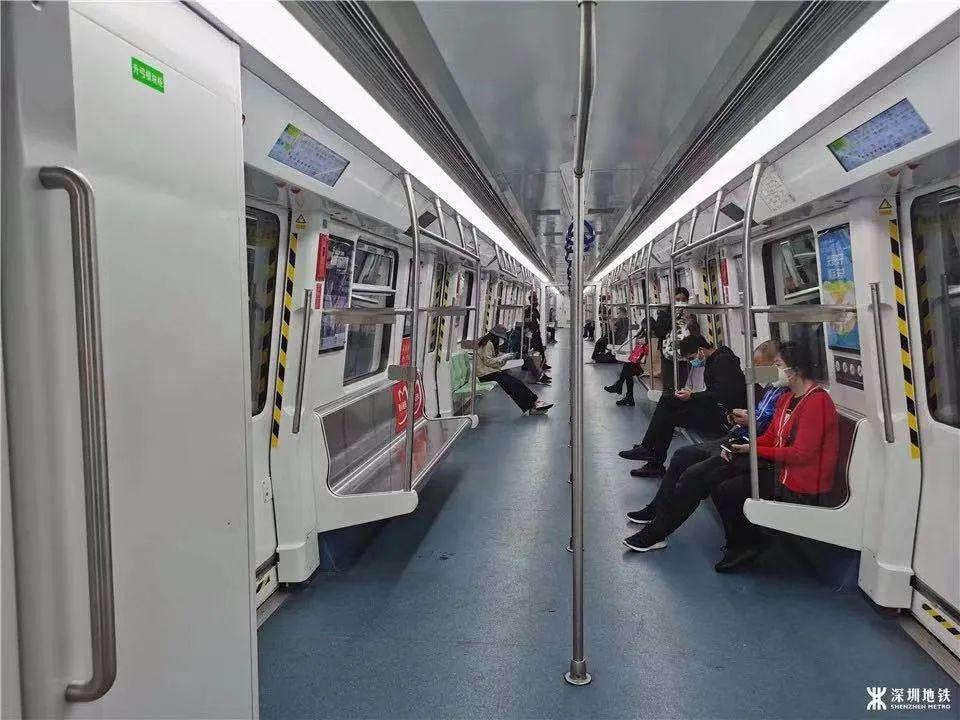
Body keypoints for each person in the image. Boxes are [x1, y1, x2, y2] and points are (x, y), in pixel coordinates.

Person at [620, 341, 785, 552]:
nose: (757, 371)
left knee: (693, 474)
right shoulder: (771, 387)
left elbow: (774, 430)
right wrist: (739, 418)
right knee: (681, 454)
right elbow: (755, 411)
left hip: (748, 444)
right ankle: (656, 508)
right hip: (738, 433)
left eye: (762, 366)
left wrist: (747, 422)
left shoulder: (785, 394)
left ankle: (655, 532)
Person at [710, 341, 838, 571]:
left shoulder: (817, 402)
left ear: (795, 370)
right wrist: (744, 446)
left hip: (800, 482)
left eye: (778, 365)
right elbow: (771, 436)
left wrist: (754, 450)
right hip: (782, 471)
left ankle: (747, 544)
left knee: (728, 490)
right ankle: (741, 542)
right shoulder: (786, 398)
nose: (774, 371)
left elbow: (801, 454)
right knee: (718, 480)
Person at [619, 334, 746, 477]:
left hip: (725, 418)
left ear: (701, 350)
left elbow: (722, 395)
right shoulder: (716, 360)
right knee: (668, 399)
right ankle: (649, 450)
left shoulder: (722, 362)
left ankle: (652, 458)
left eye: (691, 358)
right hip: (715, 409)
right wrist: (692, 395)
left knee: (668, 415)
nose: (692, 362)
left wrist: (692, 396)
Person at [476, 325, 553, 415]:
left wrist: (504, 358)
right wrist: (503, 358)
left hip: (489, 372)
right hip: (484, 374)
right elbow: (489, 362)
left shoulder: (489, 343)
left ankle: (531, 405)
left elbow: (494, 361)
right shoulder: (488, 344)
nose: (502, 340)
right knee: (513, 384)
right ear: (496, 336)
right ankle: (533, 403)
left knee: (514, 384)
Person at [658, 288, 699, 393]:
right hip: (668, 352)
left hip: (685, 354)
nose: (680, 302)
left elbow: (696, 334)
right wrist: (675, 317)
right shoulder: (664, 313)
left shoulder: (691, 315)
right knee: (669, 383)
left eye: (683, 300)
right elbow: (660, 330)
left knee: (684, 382)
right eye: (677, 299)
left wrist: (690, 322)